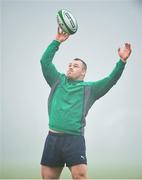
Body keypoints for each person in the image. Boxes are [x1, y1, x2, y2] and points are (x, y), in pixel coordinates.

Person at [40, 27, 132, 179]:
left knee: (80, 176)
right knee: (48, 178)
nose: (71, 67)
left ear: (83, 72)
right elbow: (44, 61)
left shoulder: (90, 89)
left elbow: (111, 80)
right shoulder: (57, 80)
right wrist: (57, 41)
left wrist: (122, 61)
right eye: (69, 64)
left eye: (75, 66)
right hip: (53, 138)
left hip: (74, 139)